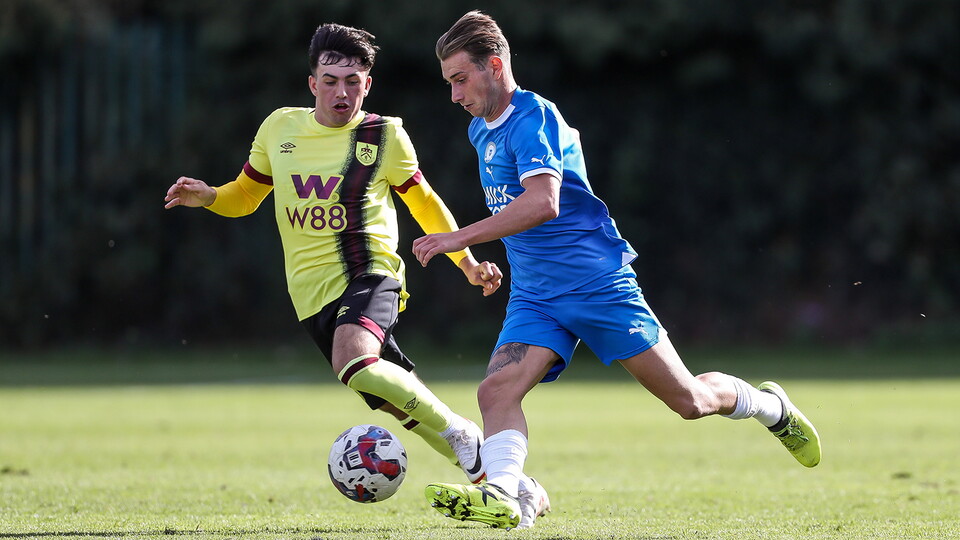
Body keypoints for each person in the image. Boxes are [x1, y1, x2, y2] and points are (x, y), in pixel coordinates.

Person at [413, 11, 822, 530]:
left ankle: (770, 407)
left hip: (597, 286)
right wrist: (477, 265)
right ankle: (508, 496)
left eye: (459, 79)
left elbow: (544, 203)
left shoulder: (533, 116)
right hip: (536, 295)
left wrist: (459, 238)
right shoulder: (480, 129)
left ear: (495, 65)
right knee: (495, 391)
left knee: (690, 401)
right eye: (448, 82)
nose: (454, 95)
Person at [163, 23, 502, 484]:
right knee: (397, 400)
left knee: (354, 360)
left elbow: (424, 202)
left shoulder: (384, 136)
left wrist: (466, 262)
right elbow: (245, 196)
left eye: (352, 81)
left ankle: (460, 431)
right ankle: (501, 483)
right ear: (312, 84)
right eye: (330, 81)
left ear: (368, 84)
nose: (341, 92)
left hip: (371, 272)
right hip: (310, 296)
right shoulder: (279, 128)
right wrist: (210, 197)